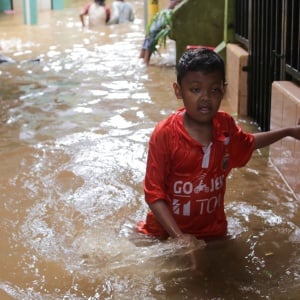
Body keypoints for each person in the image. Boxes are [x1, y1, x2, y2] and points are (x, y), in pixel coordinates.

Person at [137, 48, 300, 251]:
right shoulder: (165, 134)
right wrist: (179, 238)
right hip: (163, 236)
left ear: (223, 90)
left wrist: (288, 131)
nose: (205, 98)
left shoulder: (225, 127)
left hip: (213, 234)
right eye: (195, 90)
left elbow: (248, 143)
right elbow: (154, 194)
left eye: (213, 90)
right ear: (178, 91)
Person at [139, 0, 181, 65]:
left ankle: (143, 64)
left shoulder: (165, 12)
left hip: (151, 30)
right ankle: (145, 64)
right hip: (153, 32)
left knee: (146, 48)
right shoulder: (168, 13)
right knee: (148, 50)